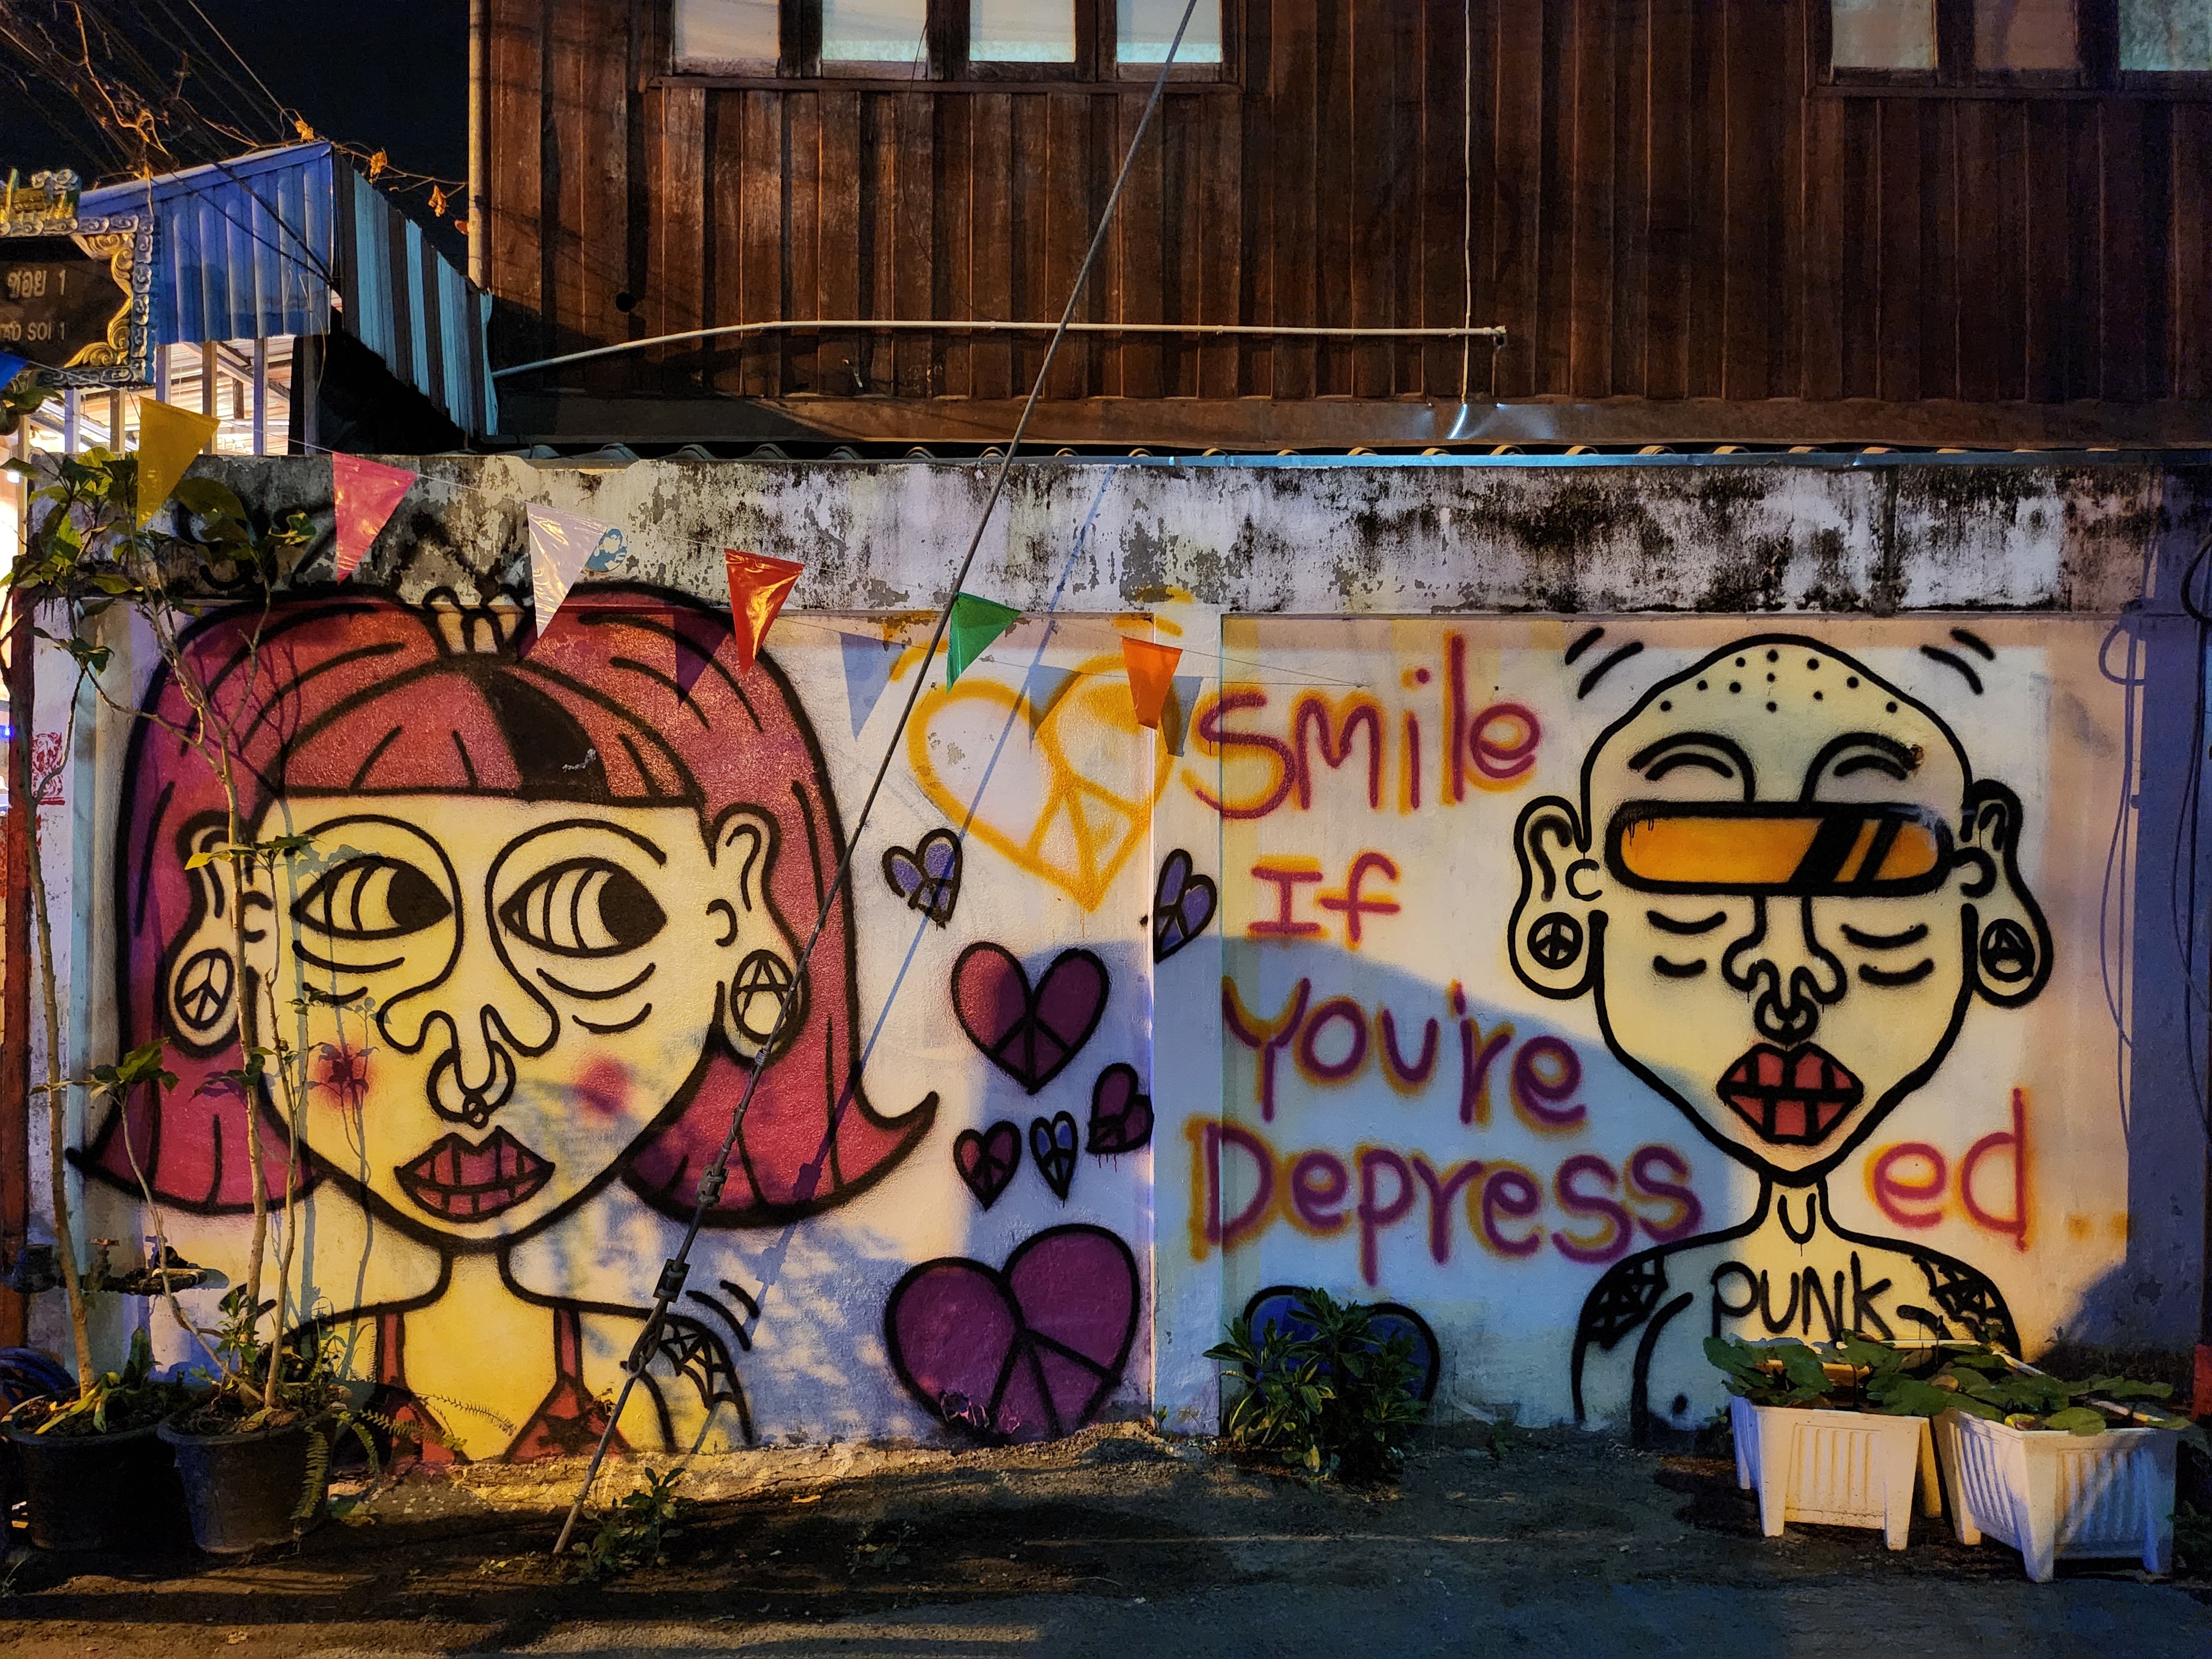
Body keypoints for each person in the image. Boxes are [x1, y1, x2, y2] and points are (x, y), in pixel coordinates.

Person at [90, 588, 936, 1460]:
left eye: (594, 915)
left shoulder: (670, 1383)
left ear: (737, 910)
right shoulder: (303, 1388)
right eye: (370, 905)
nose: (475, 1062)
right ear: (236, 918)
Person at [1507, 635, 2047, 1439]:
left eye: (1880, 865)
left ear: (1986, 873)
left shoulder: (1953, 1316)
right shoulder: (1641, 1312)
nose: (1788, 973)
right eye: (1690, 869)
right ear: (1565, 886)